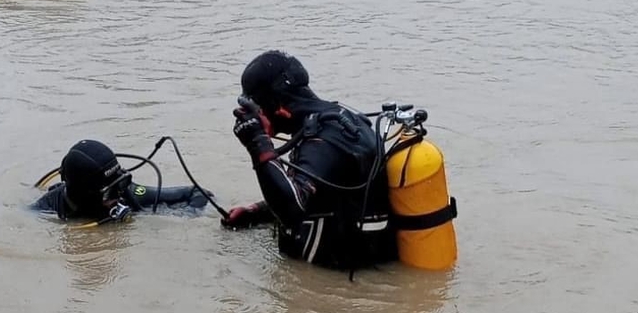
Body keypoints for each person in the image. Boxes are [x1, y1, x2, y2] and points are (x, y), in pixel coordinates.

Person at [222, 50, 398, 270]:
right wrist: (257, 212)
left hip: (337, 283)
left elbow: (293, 209)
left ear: (276, 104)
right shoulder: (338, 120)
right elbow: (325, 195)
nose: (252, 114)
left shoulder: (323, 137)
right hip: (364, 260)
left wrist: (257, 142)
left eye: (254, 107)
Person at [32, 139, 212, 224]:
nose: (119, 194)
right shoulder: (47, 207)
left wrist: (184, 218)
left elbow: (198, 193)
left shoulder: (130, 194)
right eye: (111, 191)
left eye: (121, 183)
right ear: (85, 196)